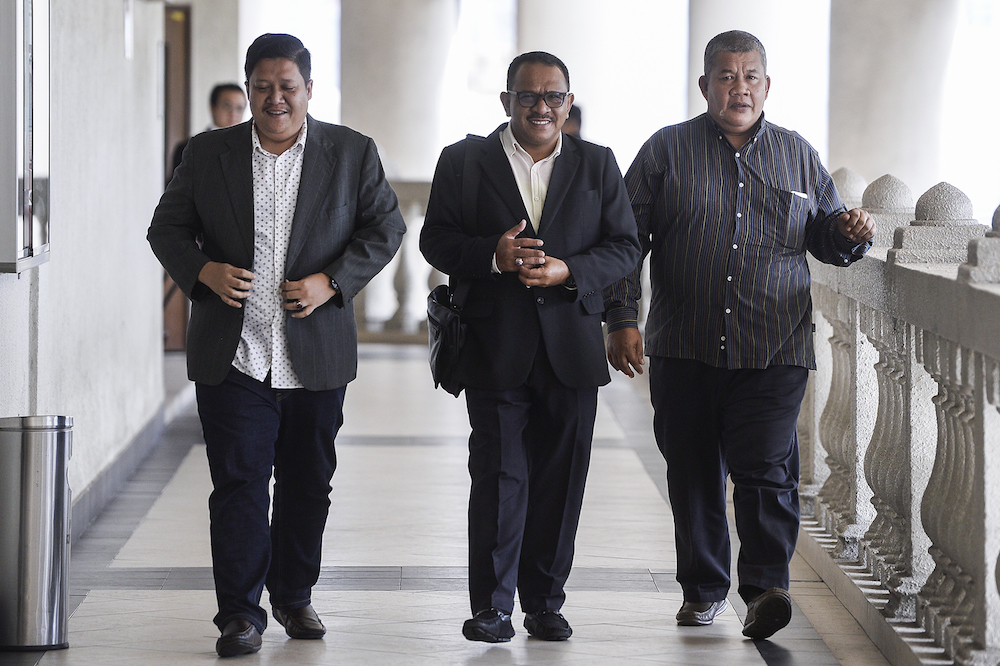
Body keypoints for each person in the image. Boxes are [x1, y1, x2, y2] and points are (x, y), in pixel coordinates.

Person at [604, 30, 876, 641]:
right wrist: (621, 318)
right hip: (684, 346)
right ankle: (702, 591)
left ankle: (765, 589)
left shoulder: (798, 155)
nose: (739, 88)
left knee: (766, 469)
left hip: (772, 347)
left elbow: (826, 238)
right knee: (693, 471)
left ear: (767, 86)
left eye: (750, 76)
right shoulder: (664, 153)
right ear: (705, 86)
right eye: (726, 77)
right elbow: (625, 243)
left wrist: (850, 231)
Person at [147, 33, 405, 657]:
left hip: (314, 353)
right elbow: (167, 227)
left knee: (307, 481)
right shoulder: (209, 154)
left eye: (287, 87)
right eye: (262, 87)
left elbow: (386, 227)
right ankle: (239, 613)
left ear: (309, 90)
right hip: (235, 352)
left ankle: (293, 595)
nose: (275, 99)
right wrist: (201, 273)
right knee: (238, 483)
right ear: (247, 88)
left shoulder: (350, 152)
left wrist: (332, 283)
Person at [420, 51, 640, 643]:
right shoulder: (464, 161)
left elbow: (625, 247)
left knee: (560, 480)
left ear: (569, 103)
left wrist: (570, 270)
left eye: (553, 97)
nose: (540, 107)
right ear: (505, 101)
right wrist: (493, 255)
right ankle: (490, 607)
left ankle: (544, 601)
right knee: (498, 476)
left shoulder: (597, 164)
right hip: (495, 345)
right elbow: (434, 240)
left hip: (572, 347)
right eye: (527, 96)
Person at [170, 83, 248, 177]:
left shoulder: (249, 148)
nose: (233, 113)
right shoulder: (189, 148)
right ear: (212, 108)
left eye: (239, 108)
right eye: (227, 106)